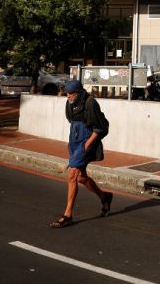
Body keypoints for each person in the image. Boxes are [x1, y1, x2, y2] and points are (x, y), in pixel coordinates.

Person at [52, 79, 113, 228]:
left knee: (72, 174)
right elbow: (71, 120)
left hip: (86, 142)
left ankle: (67, 215)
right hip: (74, 141)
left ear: (78, 93)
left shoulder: (91, 103)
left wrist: (87, 144)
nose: (68, 96)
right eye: (66, 93)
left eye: (71, 94)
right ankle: (104, 196)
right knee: (81, 177)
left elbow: (101, 127)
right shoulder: (70, 103)